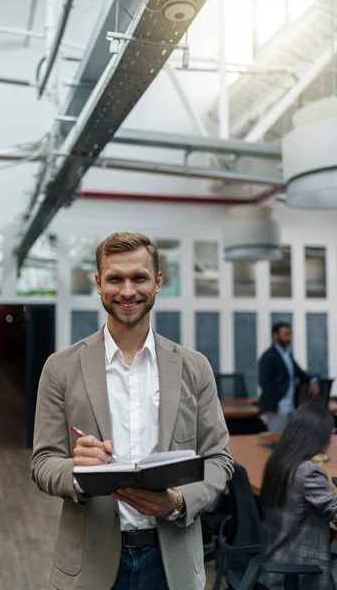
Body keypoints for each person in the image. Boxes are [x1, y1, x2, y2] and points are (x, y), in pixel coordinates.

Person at [31, 232, 233, 590]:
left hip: (171, 564)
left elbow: (219, 460)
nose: (127, 291)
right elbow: (43, 462)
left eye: (138, 278)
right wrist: (78, 471)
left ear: (157, 283)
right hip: (90, 564)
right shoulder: (60, 368)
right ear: (98, 284)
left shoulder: (194, 367)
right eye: (115, 279)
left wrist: (176, 502)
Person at [260, 403, 337, 590]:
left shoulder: (279, 460)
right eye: (329, 434)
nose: (331, 440)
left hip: (274, 561)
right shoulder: (308, 472)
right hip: (301, 572)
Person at [258, 322, 320, 433]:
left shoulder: (287, 355)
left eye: (290, 334)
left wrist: (313, 380)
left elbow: (300, 373)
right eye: (286, 334)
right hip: (277, 408)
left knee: (291, 440)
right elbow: (264, 383)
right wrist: (273, 406)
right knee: (278, 441)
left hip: (290, 407)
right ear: (275, 335)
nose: (289, 338)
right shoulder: (268, 356)